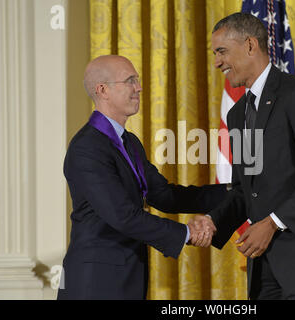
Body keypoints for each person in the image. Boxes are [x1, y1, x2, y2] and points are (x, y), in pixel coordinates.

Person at [191, 13, 295, 300]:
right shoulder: (237, 113)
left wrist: (273, 222)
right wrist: (213, 220)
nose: (217, 62)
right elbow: (246, 190)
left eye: (222, 51)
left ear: (251, 45)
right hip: (263, 267)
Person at [57, 55, 225, 300]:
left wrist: (233, 191)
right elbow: (123, 216)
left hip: (126, 277)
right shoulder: (87, 148)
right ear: (102, 90)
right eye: (130, 80)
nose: (139, 87)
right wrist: (187, 233)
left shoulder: (129, 142)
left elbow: (164, 196)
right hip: (95, 282)